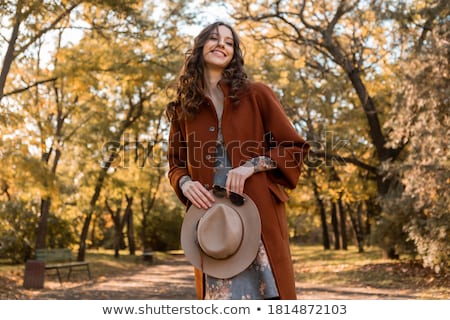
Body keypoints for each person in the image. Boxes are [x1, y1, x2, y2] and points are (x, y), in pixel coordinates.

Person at [166, 21, 309, 300]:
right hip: (213, 226)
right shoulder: (182, 109)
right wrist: (184, 183)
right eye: (214, 39)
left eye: (229, 42)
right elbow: (175, 164)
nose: (221, 44)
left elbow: (293, 148)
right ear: (199, 47)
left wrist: (250, 166)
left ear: (234, 54)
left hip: (258, 222)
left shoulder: (257, 94)